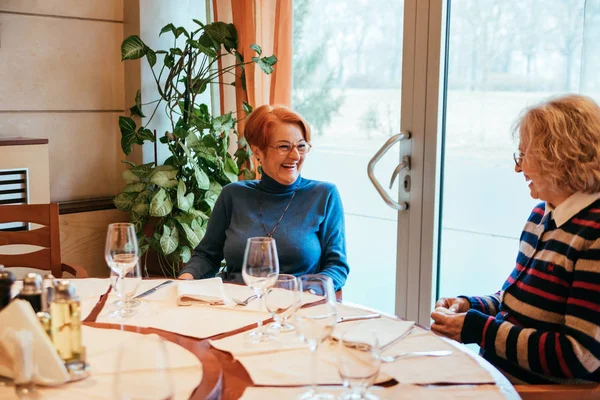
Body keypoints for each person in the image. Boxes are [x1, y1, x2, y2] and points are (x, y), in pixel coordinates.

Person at [431, 94, 600, 384]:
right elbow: (516, 303)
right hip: (497, 377)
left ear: (559, 157)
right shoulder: (542, 214)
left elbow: (578, 354)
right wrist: (470, 306)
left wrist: (476, 329)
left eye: (524, 155)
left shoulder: (594, 233)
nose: (518, 168)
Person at [178, 105, 349, 291]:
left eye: (301, 146)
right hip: (235, 305)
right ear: (257, 151)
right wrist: (184, 280)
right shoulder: (232, 195)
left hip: (295, 306)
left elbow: (336, 267)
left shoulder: (324, 195)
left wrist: (305, 293)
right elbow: (207, 256)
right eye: (284, 146)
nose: (295, 156)